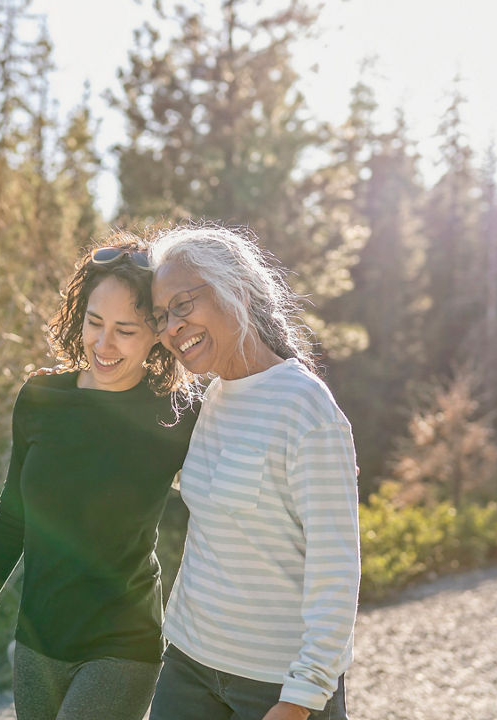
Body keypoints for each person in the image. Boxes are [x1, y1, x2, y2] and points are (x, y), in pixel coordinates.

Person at [0, 236, 198, 720]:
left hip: (123, 644)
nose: (103, 344)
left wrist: (306, 450)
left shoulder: (176, 415)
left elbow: (242, 466)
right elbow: (12, 521)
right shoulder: (40, 399)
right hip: (37, 643)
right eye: (94, 323)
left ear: (157, 334)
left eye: (126, 330)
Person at [145, 224, 360, 720]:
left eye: (184, 305)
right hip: (187, 666)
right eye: (160, 316)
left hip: (275, 685)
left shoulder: (306, 409)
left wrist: (303, 695)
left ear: (236, 289)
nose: (171, 327)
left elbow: (336, 569)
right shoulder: (211, 399)